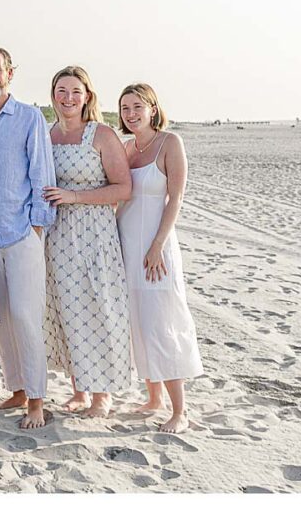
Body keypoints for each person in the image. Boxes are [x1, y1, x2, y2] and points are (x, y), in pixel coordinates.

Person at [0, 45, 57, 429]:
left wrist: (37, 227)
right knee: (1, 318)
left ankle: (36, 400)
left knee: (24, 316)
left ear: (10, 73)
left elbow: (42, 175)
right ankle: (17, 388)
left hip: (22, 234)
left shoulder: (29, 117)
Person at [41, 66, 133, 418]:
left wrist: (74, 197)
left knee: (97, 307)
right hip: (57, 233)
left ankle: (102, 395)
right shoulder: (47, 134)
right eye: (61, 91)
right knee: (64, 308)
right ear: (53, 95)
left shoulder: (101, 134)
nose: (68, 98)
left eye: (75, 91)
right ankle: (79, 389)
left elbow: (123, 188)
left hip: (94, 233)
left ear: (87, 96)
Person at [117, 83, 204, 433]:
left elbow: (176, 199)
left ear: (152, 108)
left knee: (162, 320)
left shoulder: (170, 143)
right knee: (137, 320)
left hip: (158, 247)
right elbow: (122, 198)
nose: (131, 113)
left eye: (137, 106)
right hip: (127, 244)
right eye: (125, 108)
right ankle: (153, 398)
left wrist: (157, 245)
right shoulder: (126, 148)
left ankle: (179, 410)